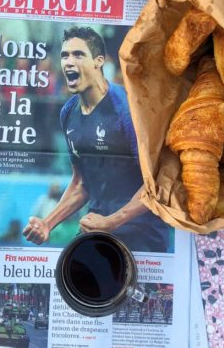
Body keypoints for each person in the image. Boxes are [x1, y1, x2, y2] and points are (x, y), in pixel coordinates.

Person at [23, 26, 169, 252]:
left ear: (98, 61)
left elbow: (158, 181)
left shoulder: (128, 109)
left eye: (78, 54)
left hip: (141, 231)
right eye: (65, 55)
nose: (69, 62)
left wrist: (111, 222)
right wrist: (47, 223)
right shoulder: (68, 113)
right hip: (96, 227)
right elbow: (81, 183)